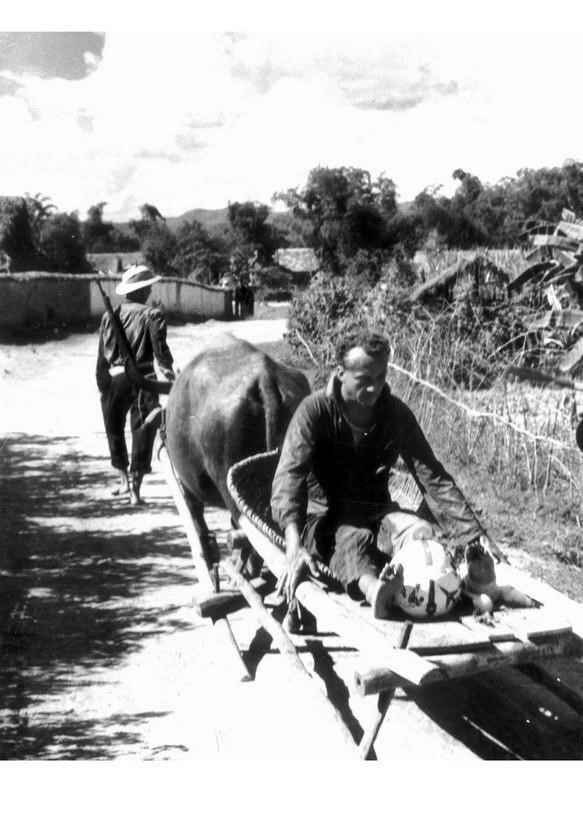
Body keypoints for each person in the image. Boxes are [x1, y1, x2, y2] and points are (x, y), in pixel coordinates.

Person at [271, 330, 498, 619]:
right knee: (353, 538)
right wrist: (293, 544)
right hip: (322, 519)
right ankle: (376, 592)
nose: (374, 387)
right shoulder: (314, 411)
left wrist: (473, 533)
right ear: (340, 373)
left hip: (376, 511)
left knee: (417, 530)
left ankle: (461, 582)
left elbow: (433, 476)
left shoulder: (395, 414)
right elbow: (289, 477)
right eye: (364, 379)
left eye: (380, 377)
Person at [96, 265, 175, 505]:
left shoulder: (110, 315)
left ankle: (123, 482)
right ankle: (135, 489)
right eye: (148, 287)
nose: (150, 291)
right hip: (144, 379)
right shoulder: (153, 315)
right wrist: (171, 375)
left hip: (115, 377)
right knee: (143, 430)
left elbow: (102, 353)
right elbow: (161, 353)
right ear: (140, 290)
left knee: (114, 428)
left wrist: (102, 380)